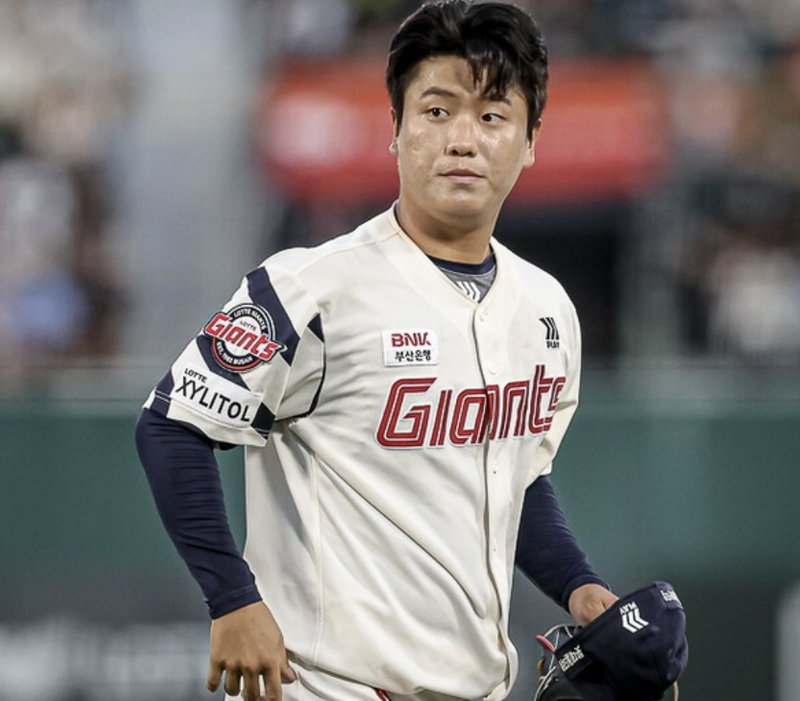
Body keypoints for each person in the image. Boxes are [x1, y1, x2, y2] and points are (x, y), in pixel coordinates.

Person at [135, 2, 618, 700]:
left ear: (530, 139)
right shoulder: (311, 286)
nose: (463, 140)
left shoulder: (547, 308)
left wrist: (578, 585)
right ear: (395, 128)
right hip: (326, 685)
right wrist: (232, 598)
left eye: (492, 116)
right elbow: (173, 426)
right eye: (436, 111)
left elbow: (511, 478)